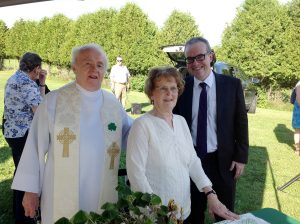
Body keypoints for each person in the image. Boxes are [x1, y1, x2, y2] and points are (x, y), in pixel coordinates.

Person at [11, 43, 132, 224]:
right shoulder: (54, 101)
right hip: (60, 193)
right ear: (74, 68)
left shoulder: (112, 103)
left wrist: (155, 122)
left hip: (103, 190)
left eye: (100, 65)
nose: (94, 69)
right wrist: (30, 191)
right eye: (87, 64)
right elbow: (34, 146)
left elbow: (132, 133)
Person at [126, 66, 239, 223]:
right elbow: (136, 173)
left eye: (173, 88)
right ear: (151, 93)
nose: (169, 93)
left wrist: (210, 193)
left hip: (181, 210)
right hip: (154, 216)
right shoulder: (142, 125)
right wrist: (155, 211)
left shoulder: (181, 122)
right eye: (163, 88)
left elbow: (192, 161)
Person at [173, 37, 249, 223]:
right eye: (190, 59)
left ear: (211, 57)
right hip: (190, 161)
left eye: (200, 57)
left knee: (224, 215)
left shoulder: (232, 85)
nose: (195, 63)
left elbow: (241, 122)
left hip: (222, 161)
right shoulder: (182, 87)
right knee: (191, 213)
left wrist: (240, 157)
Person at [3, 52, 48, 224]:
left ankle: (19, 211)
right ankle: (24, 216)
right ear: (36, 68)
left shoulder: (15, 78)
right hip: (23, 135)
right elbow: (40, 111)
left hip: (12, 133)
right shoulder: (27, 84)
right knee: (27, 173)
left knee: (20, 171)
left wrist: (41, 83)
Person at [292, 81, 300, 155]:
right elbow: (298, 98)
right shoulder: (299, 83)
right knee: (298, 130)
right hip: (299, 110)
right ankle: (298, 149)